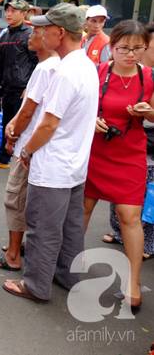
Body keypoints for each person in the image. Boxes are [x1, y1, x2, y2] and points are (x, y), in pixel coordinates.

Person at [2, 3, 99, 303]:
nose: (40, 35)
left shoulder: (65, 71)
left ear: (60, 33)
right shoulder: (85, 66)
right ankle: (68, 276)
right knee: (70, 228)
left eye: (45, 30)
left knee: (43, 228)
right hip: (75, 163)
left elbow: (48, 124)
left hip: (53, 165)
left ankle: (35, 285)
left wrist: (28, 150)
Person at [83, 20, 154, 311]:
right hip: (94, 151)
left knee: (130, 216)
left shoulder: (149, 77)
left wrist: (149, 112)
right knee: (82, 209)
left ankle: (133, 281)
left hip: (130, 153)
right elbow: (79, 109)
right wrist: (93, 121)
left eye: (138, 48)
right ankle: (66, 264)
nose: (130, 53)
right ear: (112, 47)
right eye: (124, 47)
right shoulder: (97, 72)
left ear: (146, 48)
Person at [0, 22, 60, 271]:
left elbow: (28, 112)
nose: (31, 36)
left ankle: (13, 254)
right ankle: (18, 246)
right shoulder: (56, 67)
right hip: (43, 147)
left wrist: (14, 135)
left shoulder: (46, 68)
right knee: (27, 200)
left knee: (15, 198)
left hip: (31, 145)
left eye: (37, 32)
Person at [0, 0, 38, 169]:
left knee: (21, 124)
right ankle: (3, 159)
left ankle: (19, 157)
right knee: (6, 123)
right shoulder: (5, 34)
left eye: (14, 11)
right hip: (5, 88)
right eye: (7, 10)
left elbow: (36, 64)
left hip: (22, 89)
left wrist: (29, 87)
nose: (9, 14)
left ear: (24, 14)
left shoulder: (29, 34)